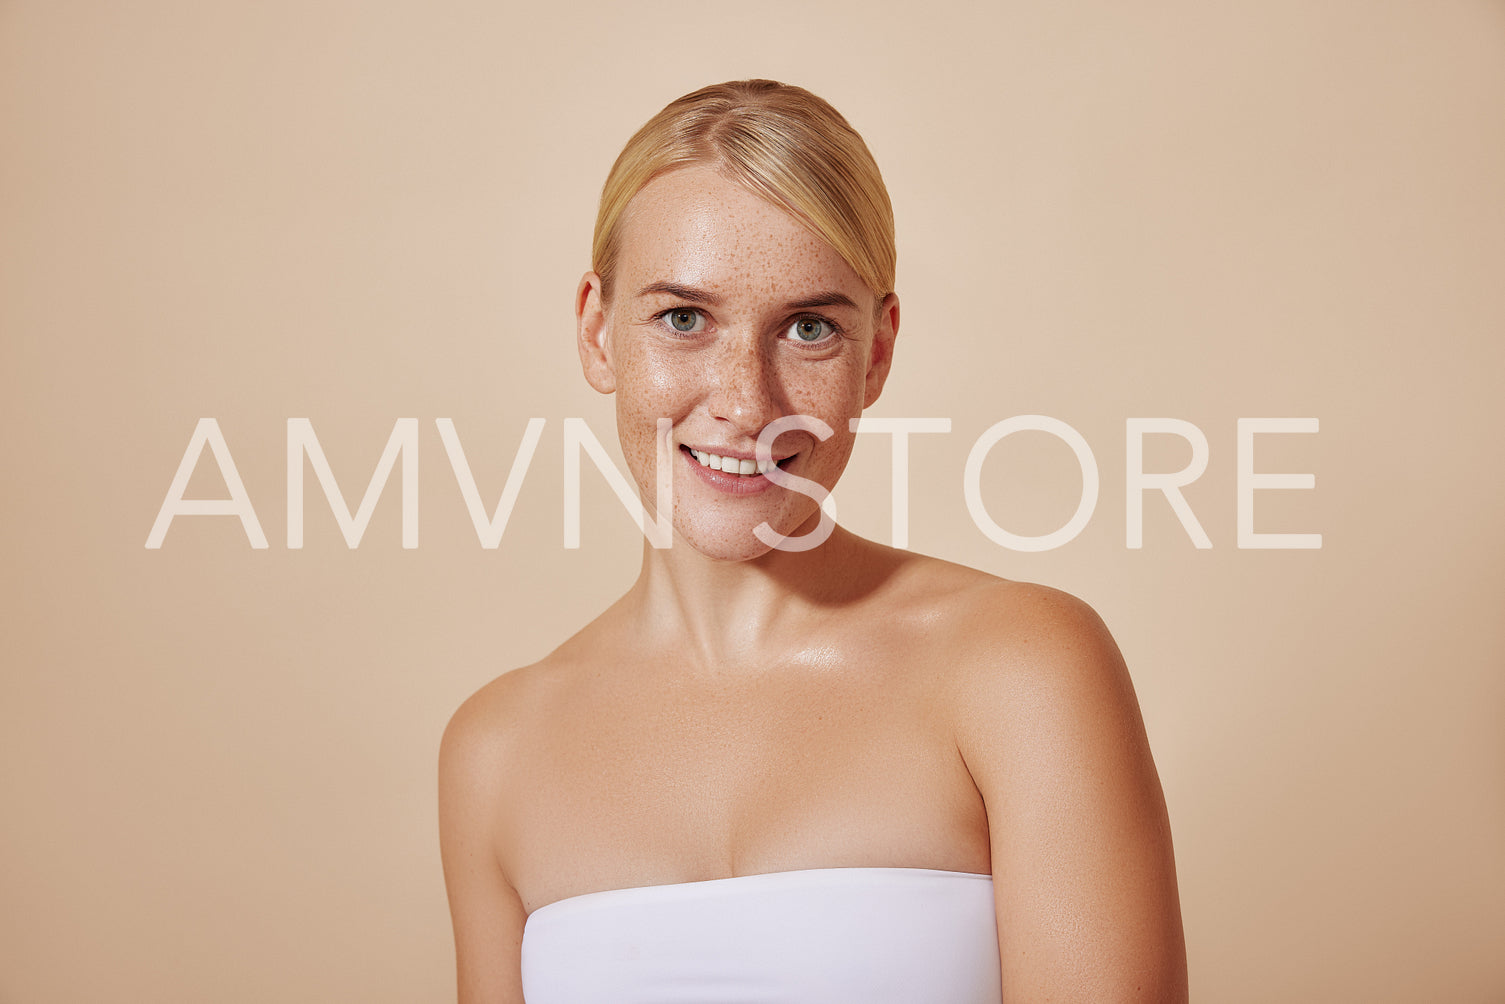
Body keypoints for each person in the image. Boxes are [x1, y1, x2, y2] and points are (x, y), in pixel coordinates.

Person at [439, 79, 1187, 1003]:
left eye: (808, 328)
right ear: (598, 332)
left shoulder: (1021, 669)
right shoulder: (497, 750)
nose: (745, 402)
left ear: (875, 353)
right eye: (683, 318)